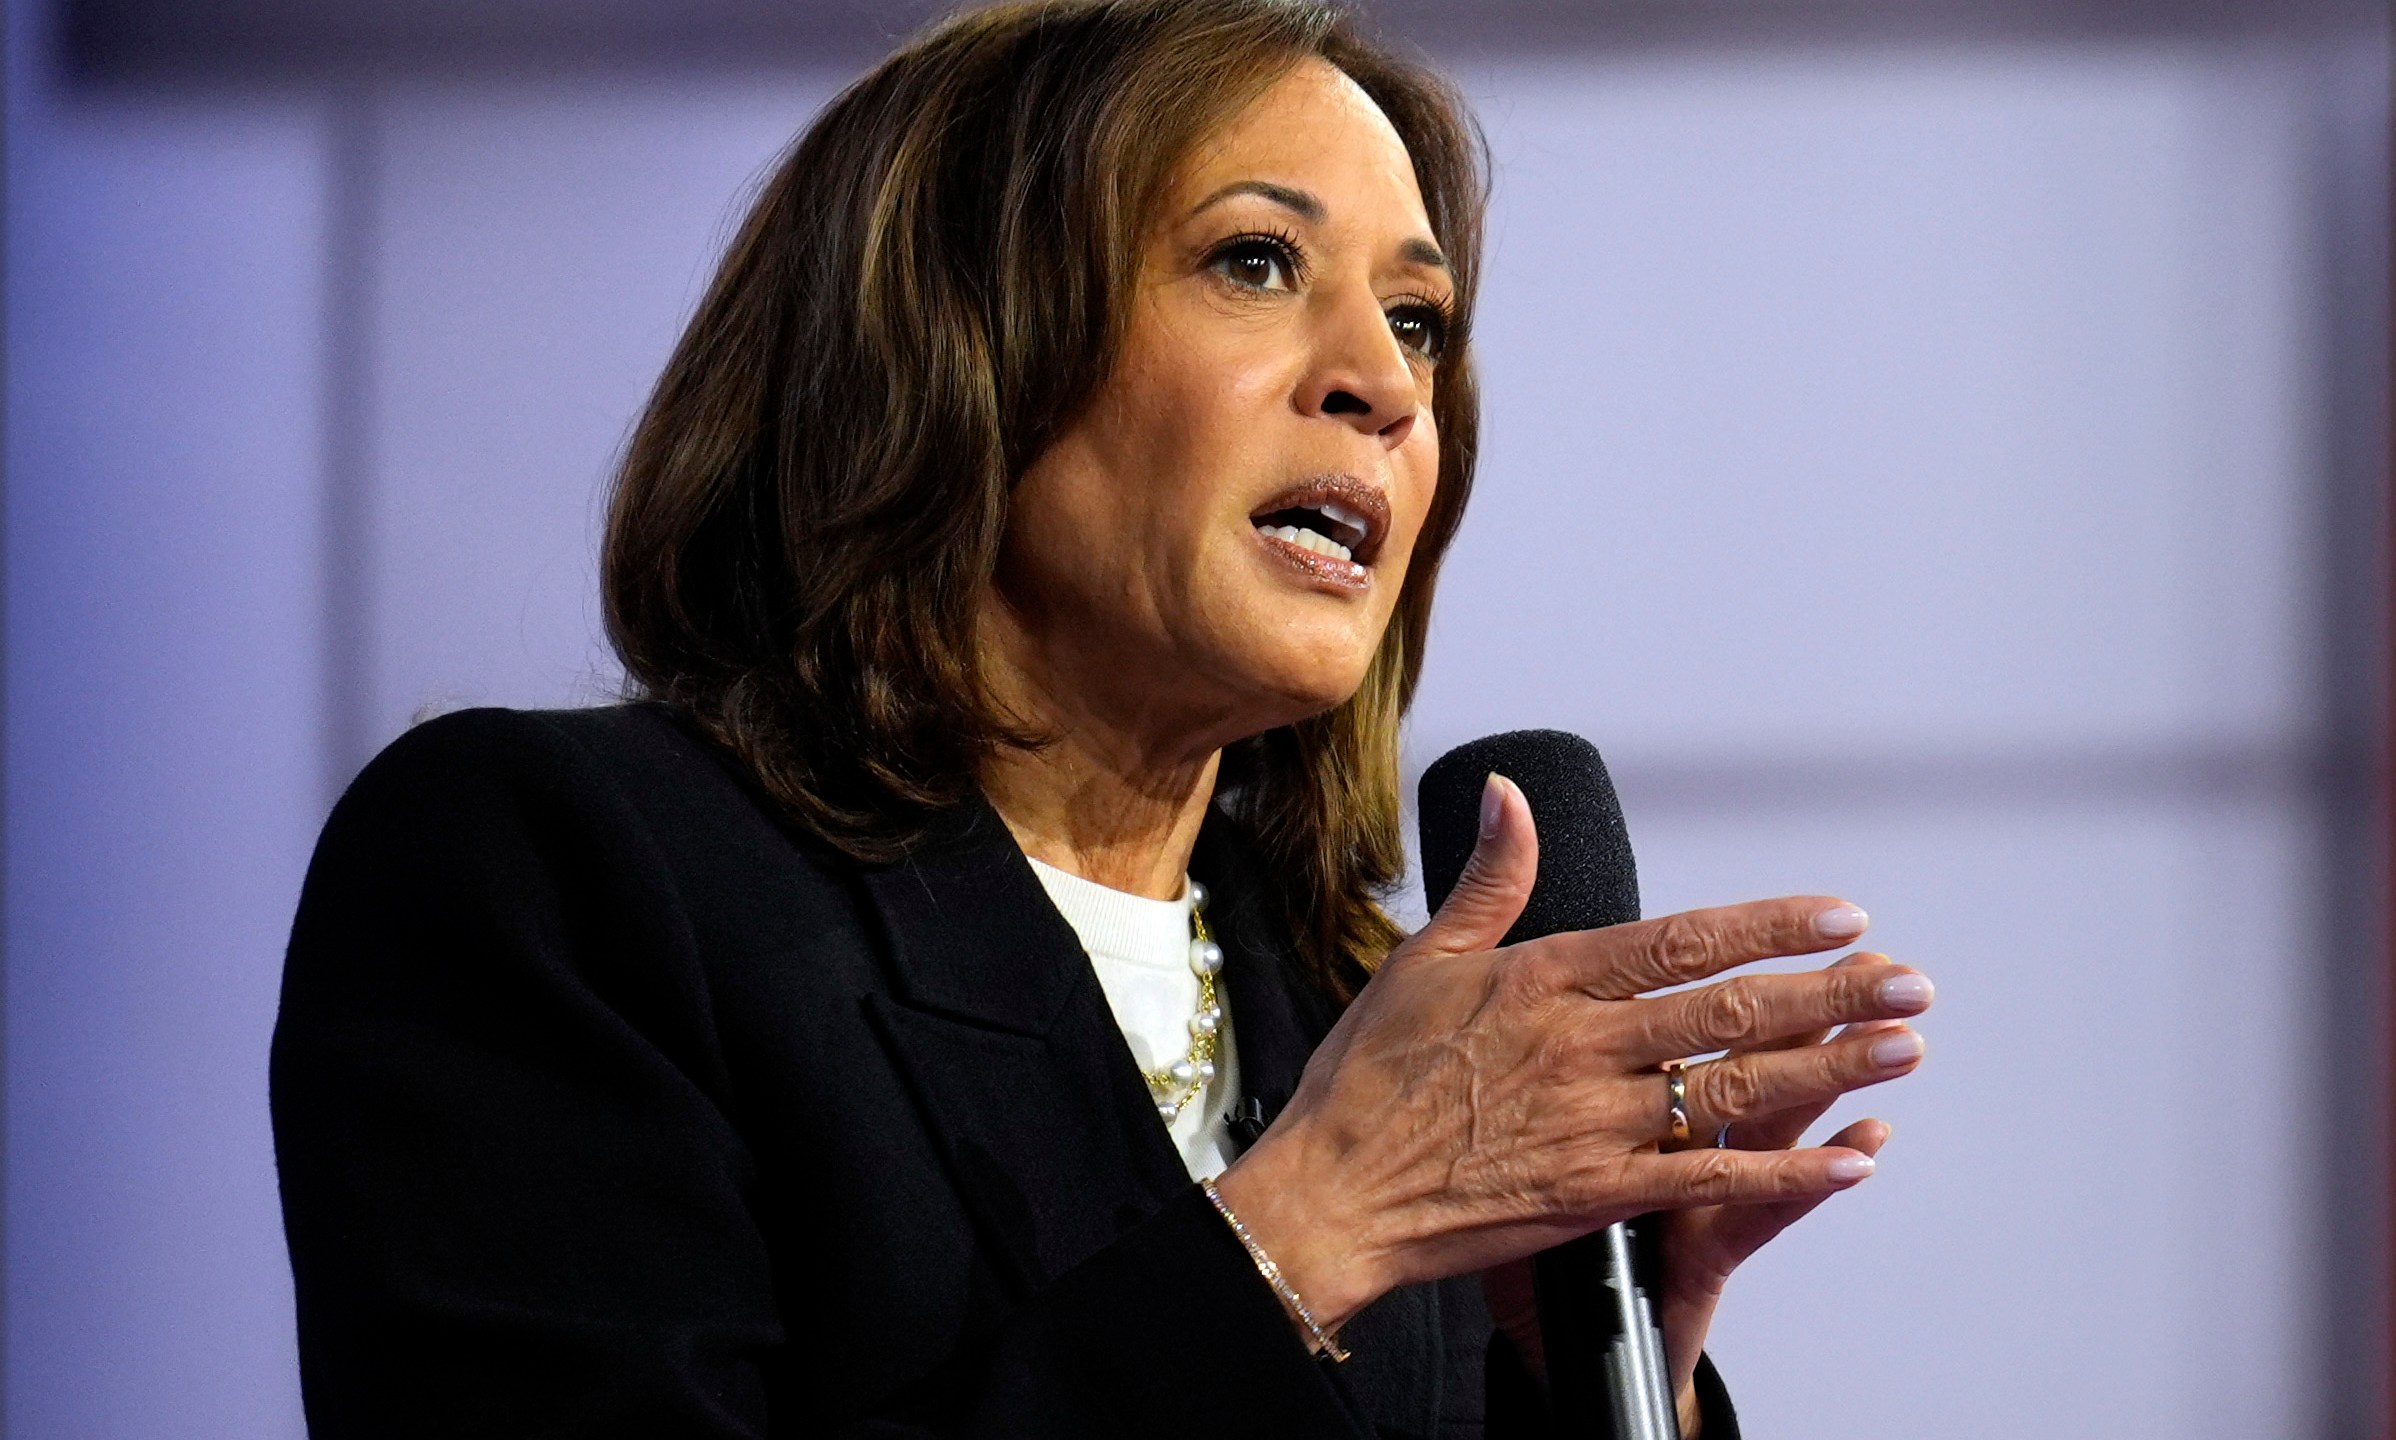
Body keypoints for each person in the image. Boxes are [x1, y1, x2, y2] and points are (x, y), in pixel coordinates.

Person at [271, 1, 1934, 1435]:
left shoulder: (1351, 1016)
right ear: (954, 345)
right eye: (1258, 262)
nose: (1387, 380)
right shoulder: (562, 872)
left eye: (1418, 318)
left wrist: (1614, 1364)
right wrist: (1302, 1235)